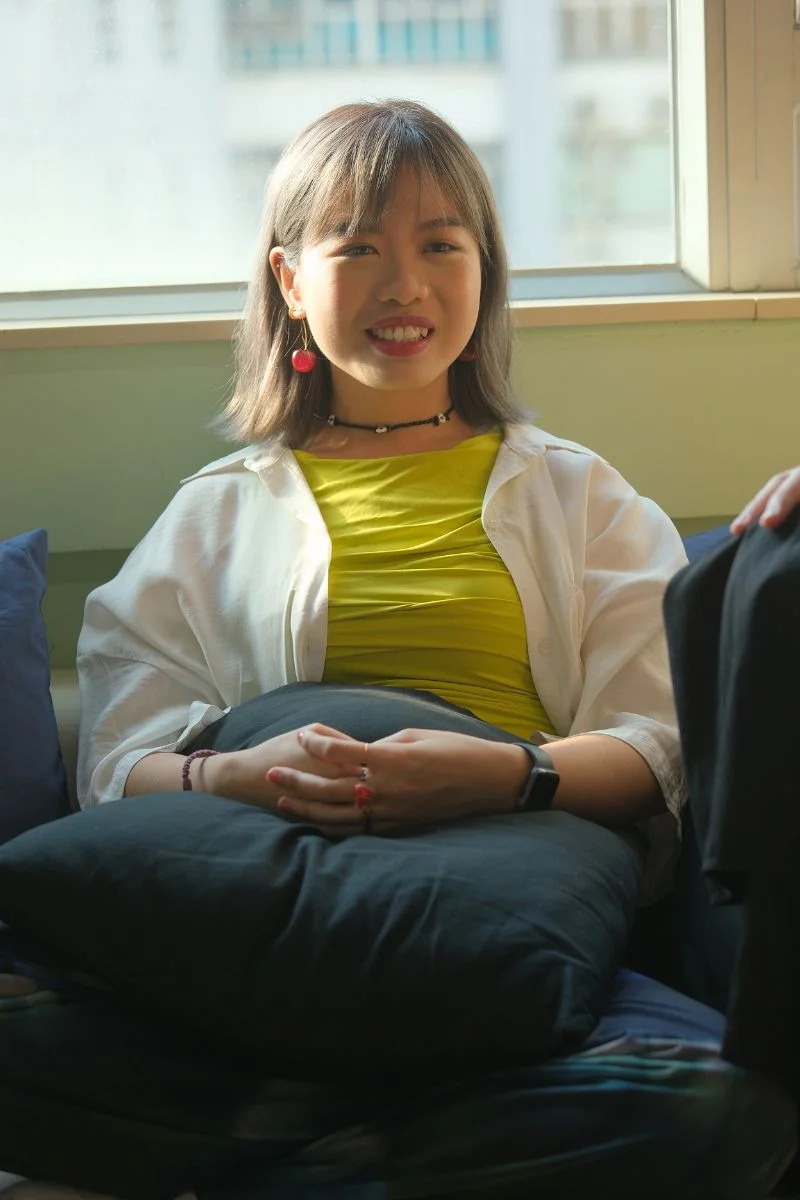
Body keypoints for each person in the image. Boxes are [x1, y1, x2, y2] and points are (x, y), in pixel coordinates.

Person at [68, 101, 796, 1197]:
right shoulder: (212, 514)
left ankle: (283, 1144)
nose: (403, 285)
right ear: (289, 281)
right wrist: (238, 777)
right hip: (273, 918)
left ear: (483, 271)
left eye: (440, 246)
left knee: (728, 1113)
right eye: (357, 247)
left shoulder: (578, 494)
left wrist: (506, 775)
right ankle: (387, 1134)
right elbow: (118, 764)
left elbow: (660, 748)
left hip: (510, 913)